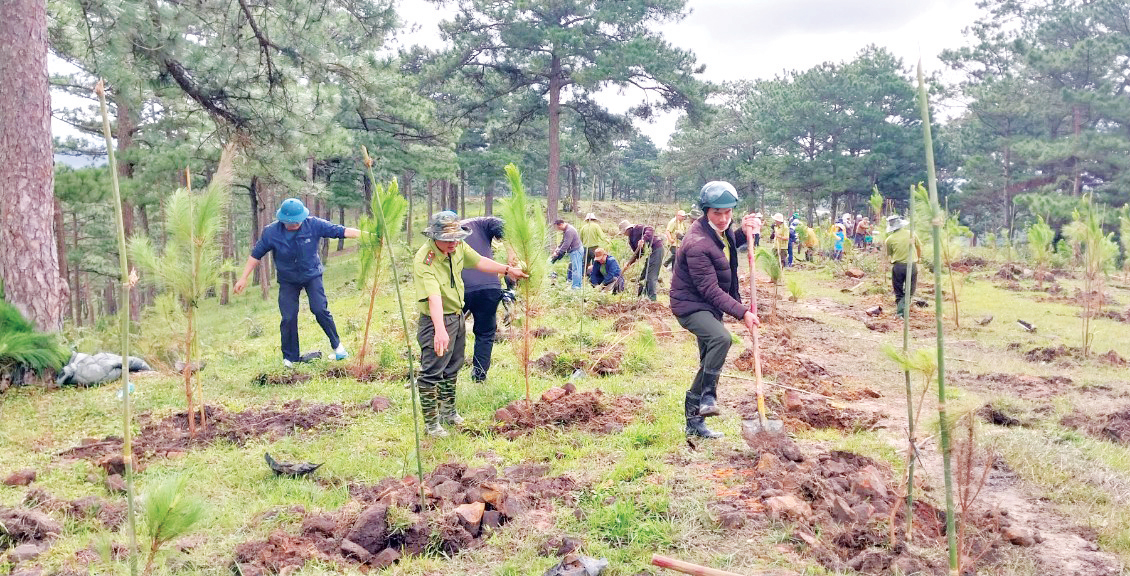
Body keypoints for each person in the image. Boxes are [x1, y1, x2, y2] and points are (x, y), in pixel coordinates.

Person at [413, 211, 526, 437]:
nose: (454, 242)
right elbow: (434, 297)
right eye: (448, 239)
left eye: (457, 237)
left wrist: (507, 269)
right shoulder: (425, 259)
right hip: (436, 319)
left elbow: (480, 262)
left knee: (453, 367)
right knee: (432, 372)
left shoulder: (458, 247)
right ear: (435, 237)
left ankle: (448, 412)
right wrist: (440, 330)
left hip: (455, 314)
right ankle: (432, 425)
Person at [670, 181, 760, 439]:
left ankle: (694, 423)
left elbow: (725, 249)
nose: (723, 218)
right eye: (717, 213)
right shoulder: (697, 242)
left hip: (708, 306)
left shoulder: (719, 230)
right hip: (691, 306)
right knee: (721, 338)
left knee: (707, 360)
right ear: (705, 211)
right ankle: (708, 396)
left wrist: (745, 232)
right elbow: (709, 289)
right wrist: (742, 312)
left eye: (728, 213)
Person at [234, 198, 361, 368]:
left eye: (297, 222)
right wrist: (243, 277)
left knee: (319, 309)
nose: (294, 225)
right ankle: (290, 358)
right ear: (282, 220)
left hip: (312, 275)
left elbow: (340, 231)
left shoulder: (313, 224)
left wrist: (368, 235)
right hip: (288, 280)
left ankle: (338, 348)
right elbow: (256, 255)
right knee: (288, 317)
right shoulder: (271, 232)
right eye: (290, 223)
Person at [461, 216, 509, 383]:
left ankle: (445, 371)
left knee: (451, 329)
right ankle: (479, 376)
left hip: (461, 288)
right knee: (485, 333)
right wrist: (512, 254)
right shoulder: (483, 222)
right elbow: (506, 228)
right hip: (489, 286)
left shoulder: (449, 234)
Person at [885, 214, 923, 317]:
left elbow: (889, 254)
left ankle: (901, 312)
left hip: (898, 266)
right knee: (909, 291)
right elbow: (919, 247)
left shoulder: (889, 239)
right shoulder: (912, 234)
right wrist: (918, 258)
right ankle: (901, 312)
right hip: (912, 265)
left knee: (898, 290)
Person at [619, 219, 664, 301]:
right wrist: (629, 264)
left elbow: (650, 229)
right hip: (648, 253)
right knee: (643, 276)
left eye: (624, 232)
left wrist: (643, 239)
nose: (624, 234)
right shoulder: (631, 240)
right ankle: (640, 297)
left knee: (651, 276)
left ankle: (652, 299)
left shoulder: (637, 228)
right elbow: (638, 254)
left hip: (656, 248)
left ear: (627, 229)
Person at [550, 219, 583, 289]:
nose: (558, 229)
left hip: (576, 250)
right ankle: (577, 286)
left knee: (576, 269)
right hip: (574, 251)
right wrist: (558, 248)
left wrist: (559, 252)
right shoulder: (566, 230)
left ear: (561, 225)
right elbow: (563, 241)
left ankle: (576, 287)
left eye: (558, 228)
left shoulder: (569, 231)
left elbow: (567, 244)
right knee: (576, 268)